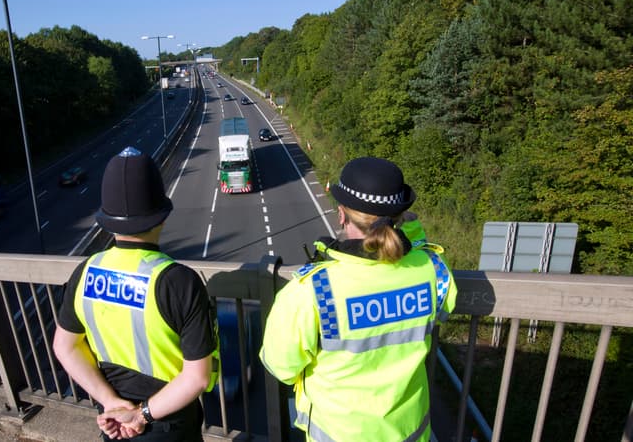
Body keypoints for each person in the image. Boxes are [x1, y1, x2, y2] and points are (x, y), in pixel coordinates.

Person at [259, 156, 458, 442]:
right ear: (401, 216)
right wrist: (410, 232)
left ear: (341, 214)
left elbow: (281, 366)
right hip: (411, 434)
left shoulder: (312, 290)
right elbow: (445, 306)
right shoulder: (432, 270)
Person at [53, 146, 219, 441]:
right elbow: (197, 377)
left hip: (115, 423)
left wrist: (112, 402)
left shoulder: (86, 271)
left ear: (106, 219)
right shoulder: (179, 281)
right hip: (169, 424)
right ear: (161, 217)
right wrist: (140, 414)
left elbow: (65, 347)